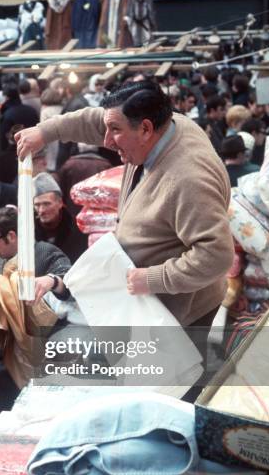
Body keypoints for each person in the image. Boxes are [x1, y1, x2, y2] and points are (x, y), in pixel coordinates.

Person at [15, 80, 234, 332]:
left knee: (179, 370)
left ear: (145, 129)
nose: (106, 140)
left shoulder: (188, 180)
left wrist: (152, 279)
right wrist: (46, 132)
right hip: (145, 300)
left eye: (115, 130)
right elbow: (99, 121)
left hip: (180, 313)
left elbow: (216, 256)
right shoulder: (162, 126)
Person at [0, 206, 71, 411]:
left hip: (44, 355)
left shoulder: (46, 253)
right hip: (6, 358)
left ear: (11, 235)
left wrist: (52, 281)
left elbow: (71, 282)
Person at [33, 172, 88, 263]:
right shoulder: (28, 231)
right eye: (37, 205)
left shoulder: (79, 229)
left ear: (60, 203)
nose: (41, 210)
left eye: (47, 204)